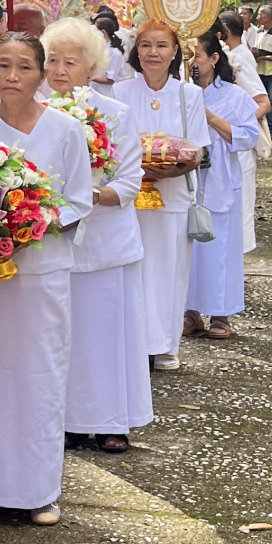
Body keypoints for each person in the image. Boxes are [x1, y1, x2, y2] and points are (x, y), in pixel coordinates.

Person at [0, 31, 92, 523]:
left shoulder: (64, 130)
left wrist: (32, 221)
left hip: (42, 272)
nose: (13, 76)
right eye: (4, 66)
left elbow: (80, 200)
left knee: (40, 375)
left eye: (25, 67)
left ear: (42, 74)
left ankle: (39, 490)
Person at [44, 19, 149, 457]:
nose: (60, 70)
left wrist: (88, 196)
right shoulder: (37, 114)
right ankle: (67, 421)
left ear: (92, 68)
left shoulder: (116, 115)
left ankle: (112, 421)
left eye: (71, 62)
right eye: (52, 60)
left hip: (106, 243)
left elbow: (129, 181)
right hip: (55, 244)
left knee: (107, 336)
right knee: (63, 338)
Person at [112, 19, 210, 375]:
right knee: (133, 271)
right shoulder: (120, 93)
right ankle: (135, 345)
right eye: (146, 45)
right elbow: (110, 147)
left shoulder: (189, 95)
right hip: (129, 197)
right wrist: (137, 169)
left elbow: (199, 149)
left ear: (175, 53)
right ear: (137, 51)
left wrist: (173, 168)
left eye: (161, 46)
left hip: (174, 199)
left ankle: (167, 347)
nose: (153, 52)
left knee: (170, 272)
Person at [181, 30, 262, 343]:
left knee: (219, 248)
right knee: (188, 248)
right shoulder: (179, 93)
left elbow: (247, 136)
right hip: (186, 181)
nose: (192, 62)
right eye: (187, 57)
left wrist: (209, 118)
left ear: (214, 59)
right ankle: (189, 312)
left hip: (220, 181)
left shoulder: (234, 95)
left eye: (197, 56)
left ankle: (220, 313)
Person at [221, 11, 271, 256]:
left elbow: (263, 102)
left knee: (240, 211)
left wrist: (237, 126)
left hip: (238, 147)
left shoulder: (238, 58)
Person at [246, 4, 272, 137]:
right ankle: (262, 126)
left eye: (260, 15)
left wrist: (264, 57)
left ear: (268, 17)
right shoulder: (259, 31)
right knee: (261, 99)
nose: (257, 17)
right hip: (261, 71)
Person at [91, 10, 127, 89]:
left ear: (103, 32)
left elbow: (110, 80)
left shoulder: (115, 53)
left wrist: (89, 77)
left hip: (107, 93)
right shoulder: (98, 48)